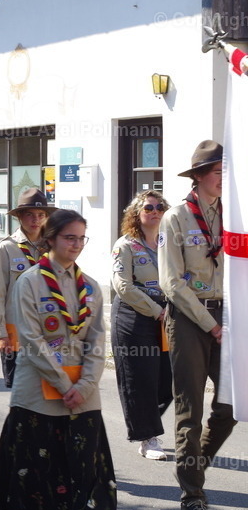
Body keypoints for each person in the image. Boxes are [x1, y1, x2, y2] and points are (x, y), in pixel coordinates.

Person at [0, 209, 114, 510]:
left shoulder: (90, 286)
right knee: (32, 464)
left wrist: (85, 387)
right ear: (51, 239)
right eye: (68, 237)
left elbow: (97, 341)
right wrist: (64, 386)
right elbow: (31, 341)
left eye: (80, 238)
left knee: (87, 465)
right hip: (37, 392)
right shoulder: (29, 282)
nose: (75, 245)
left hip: (83, 394)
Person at [158, 140, 237, 510]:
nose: (225, 179)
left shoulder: (235, 214)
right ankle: (193, 498)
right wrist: (210, 323)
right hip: (191, 317)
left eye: (227, 171)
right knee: (189, 411)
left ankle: (192, 467)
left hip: (230, 314)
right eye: (219, 172)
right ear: (200, 176)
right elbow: (171, 283)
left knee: (230, 406)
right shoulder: (175, 218)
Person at [110, 190, 172, 461]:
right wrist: (157, 311)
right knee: (140, 378)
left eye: (159, 207)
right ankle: (148, 438)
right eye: (148, 207)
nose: (155, 211)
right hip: (133, 317)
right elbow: (123, 286)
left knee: (169, 380)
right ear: (136, 214)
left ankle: (144, 421)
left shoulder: (169, 242)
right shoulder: (125, 245)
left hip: (167, 315)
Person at [0, 188, 53, 390]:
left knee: (47, 391)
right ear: (19, 216)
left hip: (49, 331)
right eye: (30, 215)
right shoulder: (7, 247)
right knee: (20, 391)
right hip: (15, 331)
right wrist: (0, 332)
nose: (36, 220)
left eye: (41, 215)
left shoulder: (54, 247)